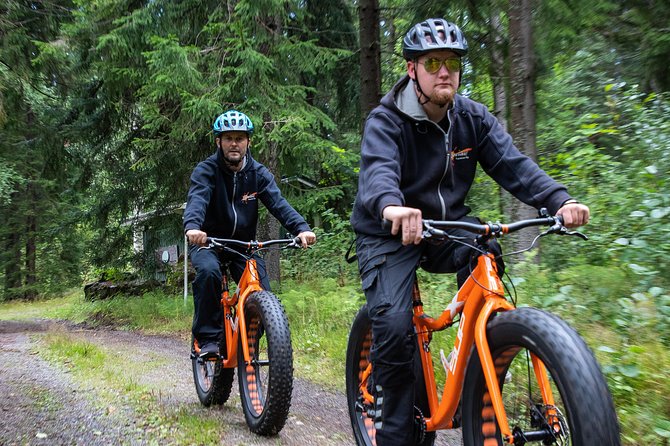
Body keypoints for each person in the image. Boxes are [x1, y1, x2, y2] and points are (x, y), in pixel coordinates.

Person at [350, 18, 590, 445]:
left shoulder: (472, 118)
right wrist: (393, 206)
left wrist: (559, 200)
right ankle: (394, 430)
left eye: (454, 62)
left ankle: (474, 362)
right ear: (413, 70)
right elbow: (378, 173)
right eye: (434, 62)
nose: (445, 71)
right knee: (392, 324)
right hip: (388, 231)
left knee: (487, 253)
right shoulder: (386, 120)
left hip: (446, 228)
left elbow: (514, 165)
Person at [184, 109, 316, 357]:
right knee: (209, 273)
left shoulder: (259, 174)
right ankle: (207, 339)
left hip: (242, 246)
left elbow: (279, 205)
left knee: (262, 296)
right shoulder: (206, 171)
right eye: (228, 138)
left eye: (240, 138)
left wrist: (302, 229)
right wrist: (193, 228)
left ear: (248, 142)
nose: (234, 143)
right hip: (208, 243)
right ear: (218, 141)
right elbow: (197, 201)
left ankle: (242, 337)